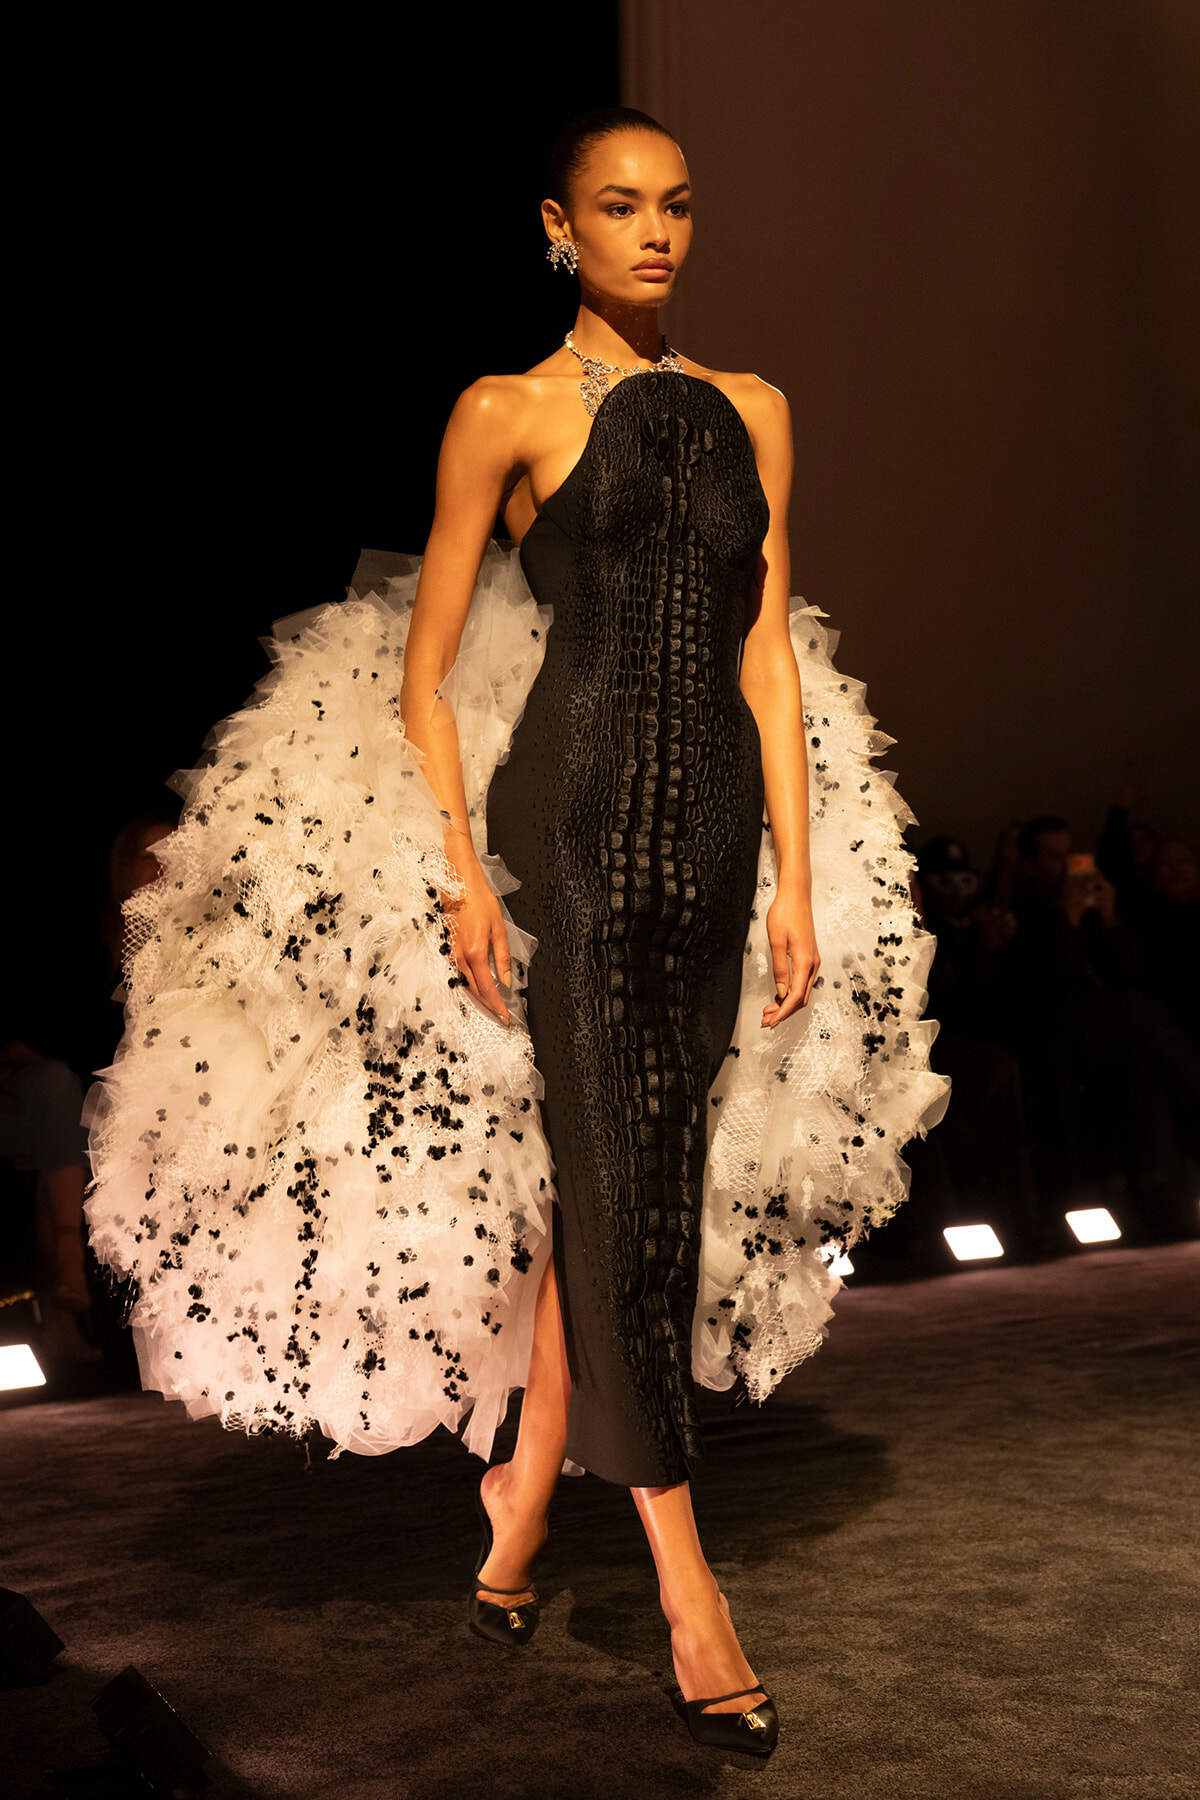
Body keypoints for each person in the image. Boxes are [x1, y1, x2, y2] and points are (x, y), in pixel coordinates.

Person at [85, 108, 948, 1758]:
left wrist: (800, 874)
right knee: (621, 1195)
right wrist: (468, 878)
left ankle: (525, 1484)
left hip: (709, 849)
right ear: (559, 224)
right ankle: (693, 1597)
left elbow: (764, 655)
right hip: (569, 835)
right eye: (620, 207)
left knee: (634, 1187)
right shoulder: (504, 410)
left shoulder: (755, 409)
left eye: (679, 206)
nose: (656, 233)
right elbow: (422, 675)